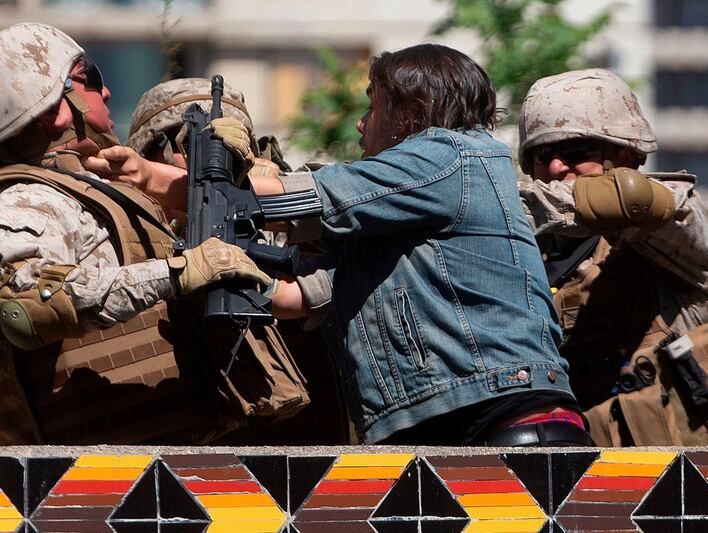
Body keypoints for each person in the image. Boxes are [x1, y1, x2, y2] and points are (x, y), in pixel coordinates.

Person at [0, 22, 283, 445]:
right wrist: (176, 274)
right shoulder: (20, 204)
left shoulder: (93, 191)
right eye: (92, 78)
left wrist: (228, 173)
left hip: (155, 456)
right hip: (84, 481)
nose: (104, 92)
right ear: (56, 110)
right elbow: (29, 308)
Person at [250, 43, 591, 446]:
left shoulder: (451, 155)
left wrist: (171, 181)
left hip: (502, 418)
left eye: (372, 108)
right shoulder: (397, 221)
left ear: (410, 111)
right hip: (450, 427)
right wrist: (198, 272)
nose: (361, 125)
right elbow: (299, 295)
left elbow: (287, 201)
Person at [123, 77, 349, 444]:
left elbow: (344, 212)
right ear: (150, 155)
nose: (211, 164)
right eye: (191, 148)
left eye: (229, 148)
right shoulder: (128, 234)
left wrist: (254, 197)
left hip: (305, 453)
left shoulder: (275, 205)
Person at [518, 68, 708, 445]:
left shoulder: (667, 223)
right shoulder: (523, 256)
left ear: (626, 152)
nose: (555, 167)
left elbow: (634, 200)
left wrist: (497, 204)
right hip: (606, 487)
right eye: (542, 154)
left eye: (575, 151)